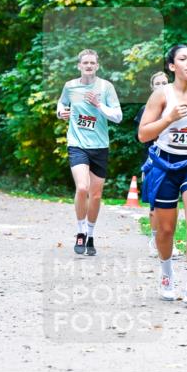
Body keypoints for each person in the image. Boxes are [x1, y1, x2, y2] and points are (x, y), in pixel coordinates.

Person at [137, 45, 187, 304]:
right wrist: (169, 118)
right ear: (172, 66)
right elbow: (143, 134)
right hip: (164, 164)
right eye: (183, 59)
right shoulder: (161, 96)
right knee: (165, 230)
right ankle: (166, 275)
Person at [56, 49, 123, 255]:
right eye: (85, 63)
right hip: (77, 144)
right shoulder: (70, 86)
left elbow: (118, 116)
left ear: (97, 65)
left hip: (100, 146)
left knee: (95, 195)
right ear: (79, 66)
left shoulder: (106, 87)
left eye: (92, 63)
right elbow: (61, 103)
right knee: (82, 188)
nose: (88, 66)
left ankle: (91, 235)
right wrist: (60, 112)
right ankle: (80, 232)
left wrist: (99, 105)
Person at [135, 70, 178, 258]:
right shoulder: (146, 110)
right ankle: (155, 241)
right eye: (157, 84)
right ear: (152, 88)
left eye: (164, 83)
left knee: (171, 205)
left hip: (174, 161)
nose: (161, 86)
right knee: (154, 206)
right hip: (154, 161)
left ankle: (169, 242)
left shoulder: (176, 108)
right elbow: (142, 137)